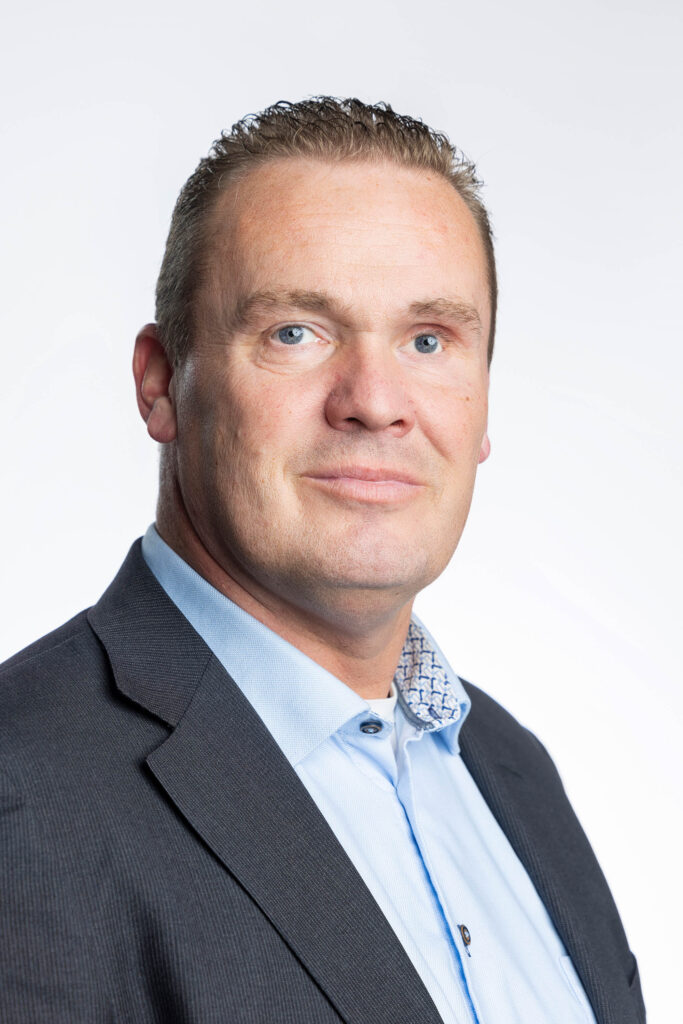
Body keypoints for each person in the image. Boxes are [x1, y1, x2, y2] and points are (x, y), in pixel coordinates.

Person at [0, 97, 645, 1024]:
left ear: (482, 403)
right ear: (161, 384)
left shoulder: (513, 773)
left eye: (428, 340)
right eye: (294, 332)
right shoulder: (24, 799)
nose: (375, 401)